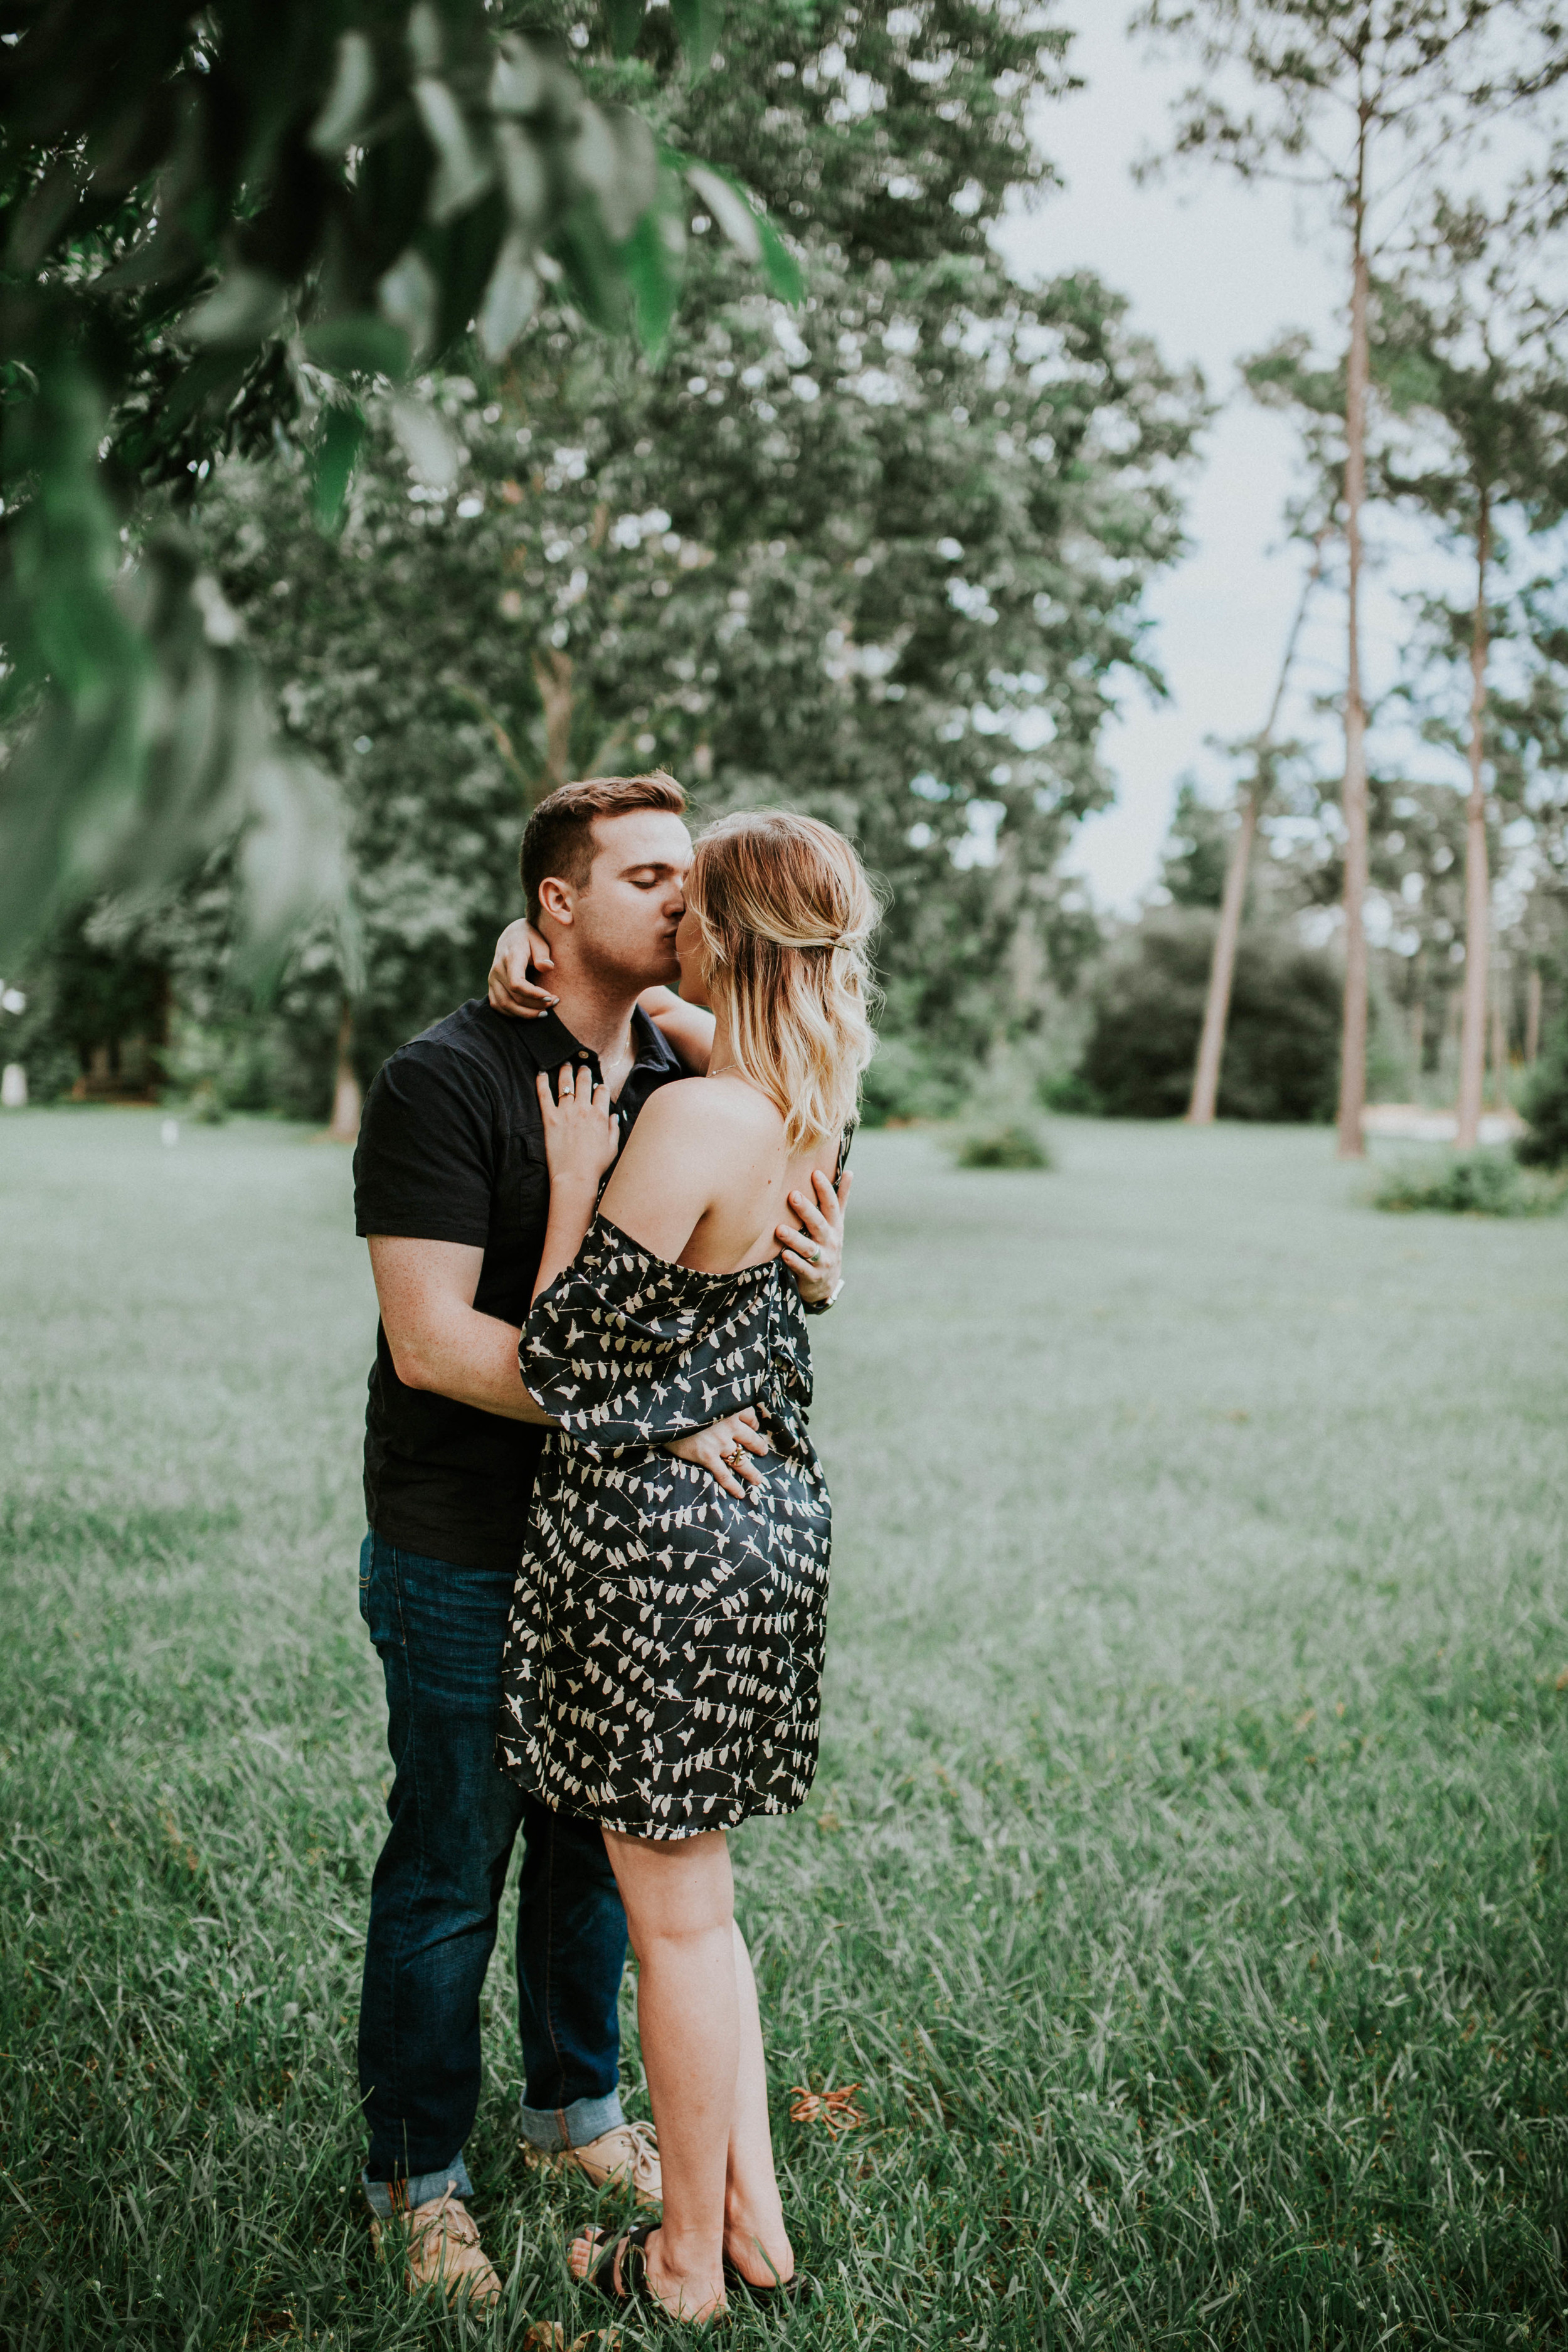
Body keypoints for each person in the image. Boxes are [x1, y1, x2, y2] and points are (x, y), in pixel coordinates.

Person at [352, 773, 851, 2312]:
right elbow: (438, 1346)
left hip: (635, 1554)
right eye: (648, 879)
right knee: (453, 1864)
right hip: (465, 1538)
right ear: (556, 907)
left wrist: (776, 1306)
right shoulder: (445, 1080)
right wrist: (652, 1403)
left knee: (603, 1871)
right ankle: (420, 2184)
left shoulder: (691, 1058)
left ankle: (579, 2118)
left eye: (694, 888)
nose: (680, 906)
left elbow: (783, 1236)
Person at [496, 808, 877, 2324]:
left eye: (688, 905)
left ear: (721, 931)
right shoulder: (802, 1091)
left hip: (666, 1548)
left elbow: (557, 1352)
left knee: (673, 1923)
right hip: (766, 1530)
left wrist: (579, 1172)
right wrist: (553, 962)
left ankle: (681, 2266)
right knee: (703, 1915)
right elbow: (687, 1014)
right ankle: (756, 2233)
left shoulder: (693, 1120)